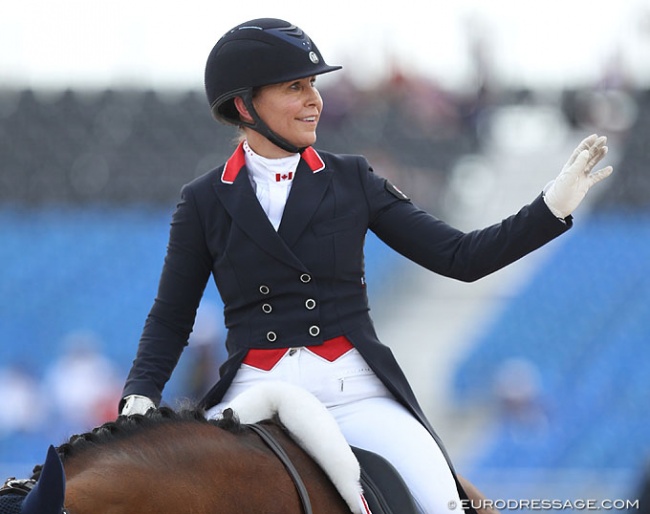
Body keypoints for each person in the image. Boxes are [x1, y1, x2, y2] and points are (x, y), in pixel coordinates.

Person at [120, 18, 613, 514]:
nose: (316, 100)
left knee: (444, 505)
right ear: (245, 104)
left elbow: (462, 257)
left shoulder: (351, 178)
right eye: (296, 87)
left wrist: (551, 207)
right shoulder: (203, 200)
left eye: (313, 84)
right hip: (252, 391)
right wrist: (139, 395)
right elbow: (171, 316)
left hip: (354, 393)